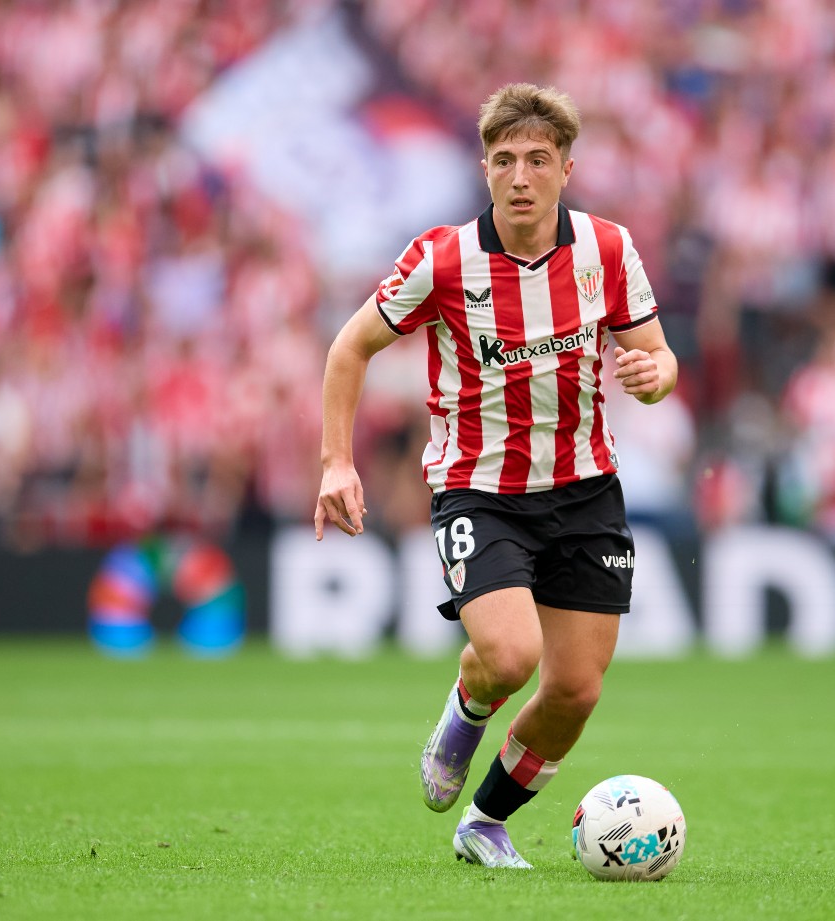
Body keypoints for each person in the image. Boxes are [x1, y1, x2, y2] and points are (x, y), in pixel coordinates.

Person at [313, 83, 678, 869]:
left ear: (566, 169)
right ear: (484, 168)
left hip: (586, 491)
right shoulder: (442, 257)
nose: (521, 176)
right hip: (480, 489)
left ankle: (484, 821)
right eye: (505, 160)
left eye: (538, 160)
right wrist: (336, 460)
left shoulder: (607, 250)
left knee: (576, 689)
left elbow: (659, 355)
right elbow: (350, 348)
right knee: (511, 656)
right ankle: (469, 703)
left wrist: (656, 373)